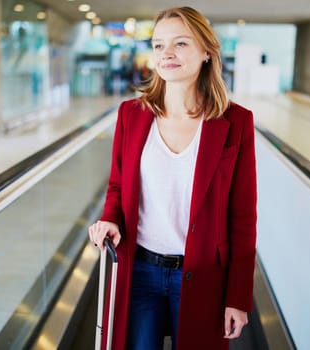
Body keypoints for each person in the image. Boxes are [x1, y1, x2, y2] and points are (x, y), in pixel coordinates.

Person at [89, 6, 257, 350]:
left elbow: (243, 216)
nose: (167, 54)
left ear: (206, 52)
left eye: (180, 43)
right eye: (158, 45)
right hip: (140, 270)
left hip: (204, 275)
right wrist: (109, 219)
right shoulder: (131, 115)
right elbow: (118, 185)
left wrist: (238, 295)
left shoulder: (235, 123)